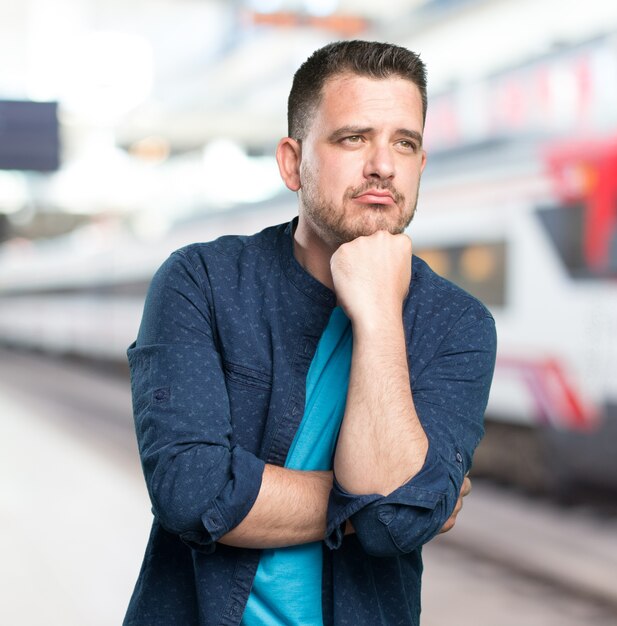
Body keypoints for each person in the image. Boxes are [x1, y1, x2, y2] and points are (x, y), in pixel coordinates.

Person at [124, 40, 496, 626]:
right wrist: (374, 499)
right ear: (293, 162)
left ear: (421, 164)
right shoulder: (201, 282)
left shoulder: (458, 324)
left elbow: (390, 528)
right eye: (354, 138)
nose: (383, 164)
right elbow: (191, 494)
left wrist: (377, 311)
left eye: (406, 142)